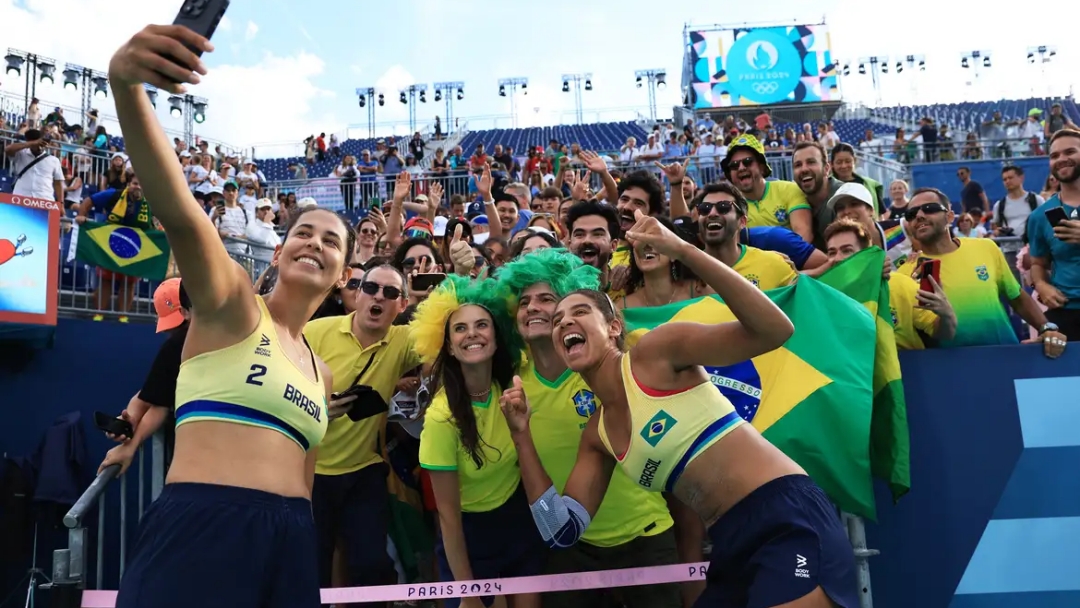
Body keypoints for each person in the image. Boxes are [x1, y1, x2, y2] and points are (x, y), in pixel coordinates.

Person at [107, 25, 355, 607]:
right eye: (303, 232)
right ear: (283, 247)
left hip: (293, 542)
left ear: (344, 272)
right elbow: (183, 214)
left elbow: (305, 479)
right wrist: (126, 87)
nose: (314, 243)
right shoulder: (233, 304)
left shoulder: (324, 373)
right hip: (203, 529)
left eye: (331, 240)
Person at [501, 210, 860, 608]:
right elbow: (561, 532)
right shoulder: (598, 435)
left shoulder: (656, 353)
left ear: (614, 327)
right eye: (557, 320)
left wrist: (683, 249)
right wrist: (521, 435)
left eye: (580, 311)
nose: (564, 322)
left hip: (784, 514)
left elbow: (775, 330)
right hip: (729, 539)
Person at [496, 248, 682, 608]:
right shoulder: (511, 385)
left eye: (547, 298)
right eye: (523, 302)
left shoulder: (611, 368)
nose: (532, 307)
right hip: (570, 546)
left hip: (647, 538)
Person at [411, 275, 543, 608]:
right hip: (469, 538)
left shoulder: (512, 390)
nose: (472, 333)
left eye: (482, 324)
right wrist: (467, 593)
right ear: (449, 347)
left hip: (517, 525)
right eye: (460, 328)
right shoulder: (441, 419)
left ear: (497, 338)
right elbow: (448, 519)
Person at [98, 278, 191, 475]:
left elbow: (158, 405)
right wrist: (129, 422)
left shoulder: (176, 346)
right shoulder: (176, 347)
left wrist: (130, 443)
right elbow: (149, 397)